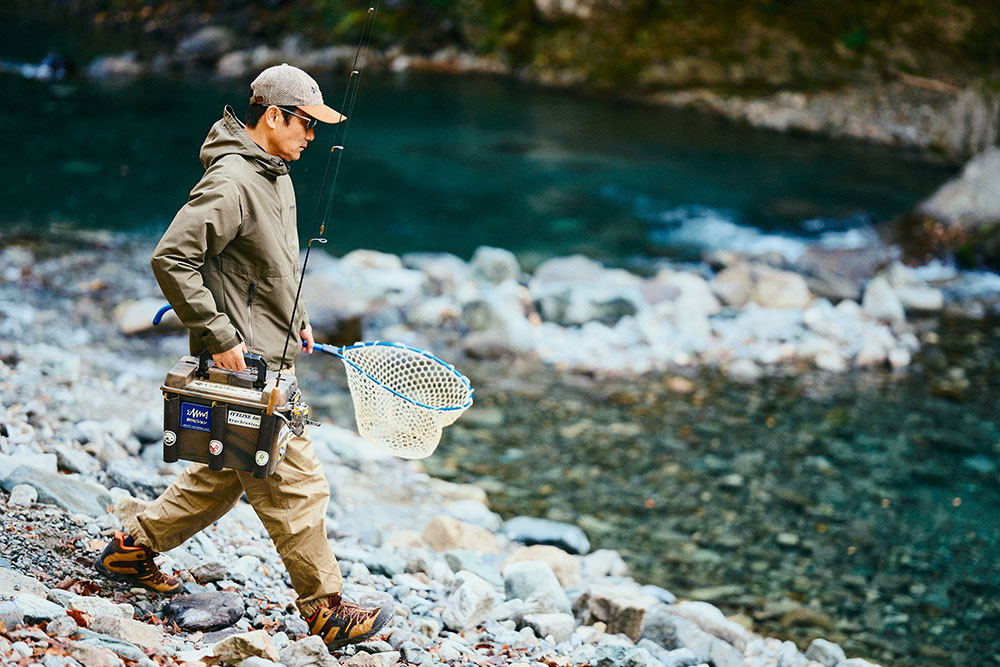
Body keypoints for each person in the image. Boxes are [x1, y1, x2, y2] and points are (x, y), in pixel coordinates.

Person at [94, 64, 392, 650]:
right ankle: (326, 611)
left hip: (271, 350)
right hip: (248, 367)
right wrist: (218, 334)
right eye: (306, 123)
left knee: (223, 478)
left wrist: (297, 317)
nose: (313, 135)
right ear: (273, 116)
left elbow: (271, 266)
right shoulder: (232, 181)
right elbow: (171, 258)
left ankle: (131, 549)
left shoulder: (276, 174)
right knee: (298, 487)